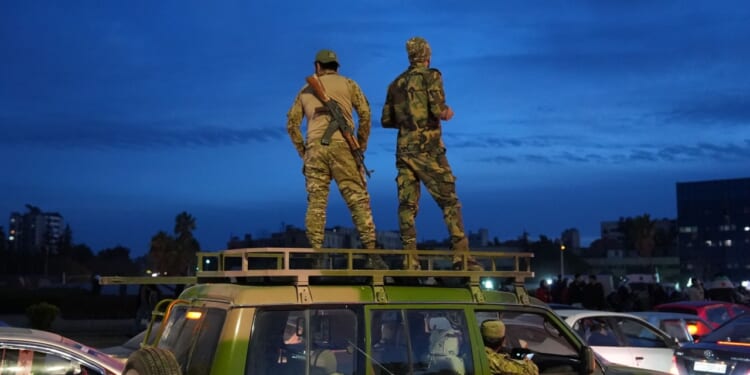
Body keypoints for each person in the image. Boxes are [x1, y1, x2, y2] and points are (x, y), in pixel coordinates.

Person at [381, 36, 482, 271]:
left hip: (404, 149)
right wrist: (448, 112)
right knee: (449, 202)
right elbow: (437, 109)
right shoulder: (432, 76)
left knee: (407, 205)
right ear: (427, 55)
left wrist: (408, 118)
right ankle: (461, 258)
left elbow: (386, 120)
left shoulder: (395, 84)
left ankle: (410, 260)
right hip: (429, 149)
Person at [286, 49, 387, 269]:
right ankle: (372, 254)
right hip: (343, 148)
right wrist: (360, 146)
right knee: (358, 200)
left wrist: (303, 152)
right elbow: (366, 115)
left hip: (314, 149)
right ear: (336, 66)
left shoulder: (304, 91)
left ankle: (316, 256)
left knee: (316, 205)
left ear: (317, 67)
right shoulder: (349, 84)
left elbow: (291, 124)